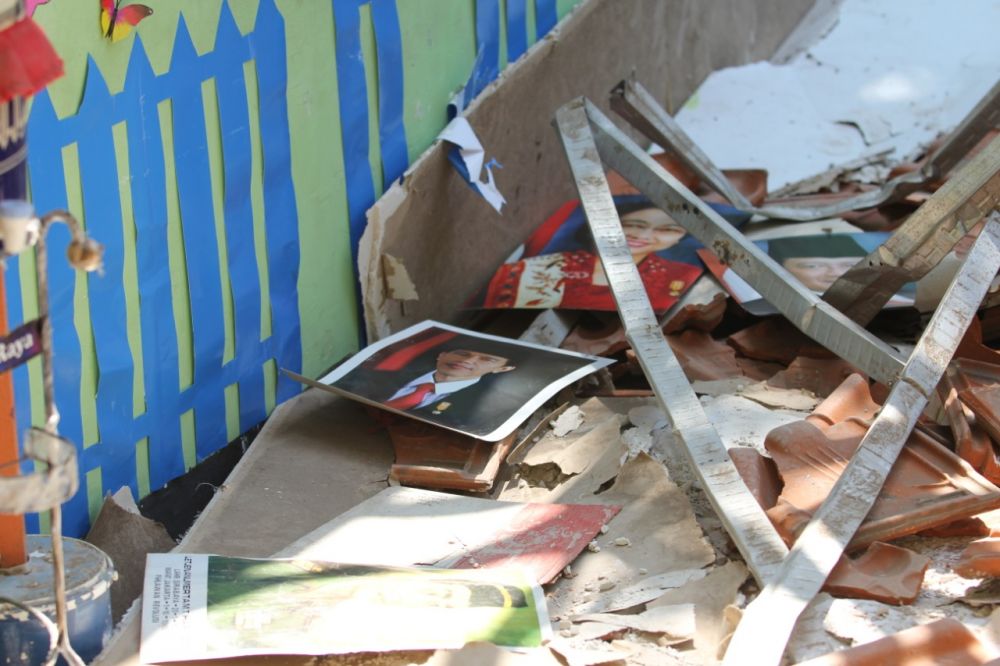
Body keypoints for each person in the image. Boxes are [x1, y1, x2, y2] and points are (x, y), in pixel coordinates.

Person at [482, 200, 701, 312]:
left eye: (668, 230)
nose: (643, 235)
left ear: (680, 239)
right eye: (633, 225)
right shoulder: (530, 270)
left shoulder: (686, 276)